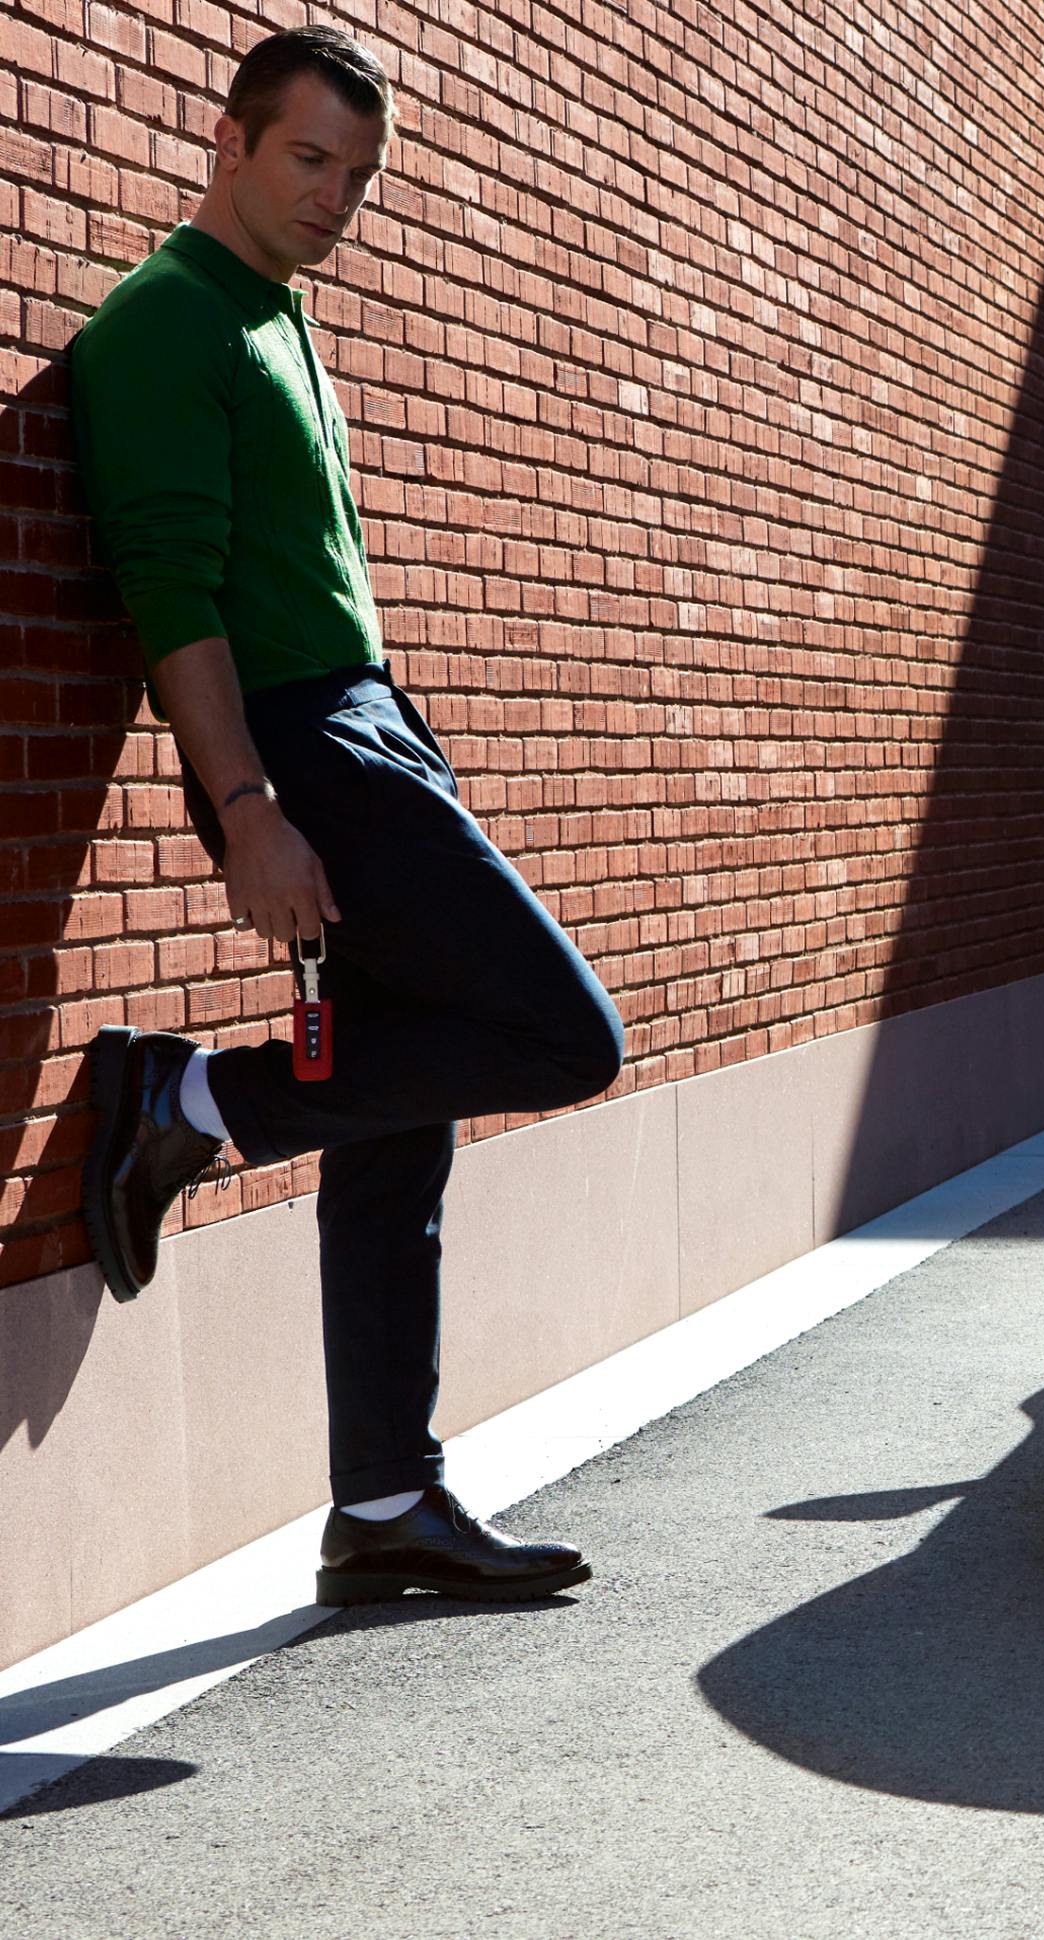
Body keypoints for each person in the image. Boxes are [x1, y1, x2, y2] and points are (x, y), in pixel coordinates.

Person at [69, 26, 624, 1605]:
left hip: (369, 727)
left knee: (395, 1125)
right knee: (565, 1035)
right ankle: (187, 1105)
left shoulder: (276, 316)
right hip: (308, 748)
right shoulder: (167, 322)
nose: (337, 198)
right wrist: (248, 805)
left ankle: (384, 1500)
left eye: (359, 174)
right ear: (230, 141)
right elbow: (169, 590)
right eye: (310, 160)